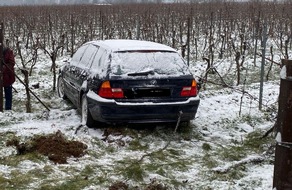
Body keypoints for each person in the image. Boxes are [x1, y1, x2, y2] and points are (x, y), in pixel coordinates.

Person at [3, 46, 15, 110]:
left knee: (8, 92)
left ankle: (8, 107)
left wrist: (4, 67)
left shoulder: (8, 51)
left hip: (8, 76)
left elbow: (12, 63)